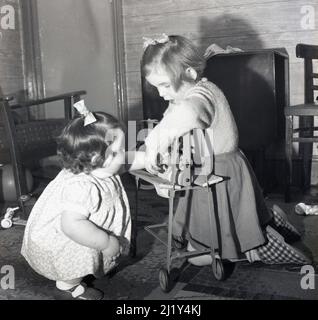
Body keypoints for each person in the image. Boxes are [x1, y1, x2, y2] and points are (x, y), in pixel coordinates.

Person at [141, 34, 311, 266]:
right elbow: (172, 120)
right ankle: (267, 224)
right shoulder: (192, 92)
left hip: (218, 171)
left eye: (164, 85)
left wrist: (153, 146)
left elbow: (186, 116)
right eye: (156, 87)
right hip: (215, 165)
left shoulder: (201, 96)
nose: (161, 93)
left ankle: (254, 247)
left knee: (198, 255)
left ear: (190, 73)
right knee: (220, 220)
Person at [21, 101, 143, 300]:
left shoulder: (98, 166)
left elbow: (128, 159)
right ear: (97, 159)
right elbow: (71, 226)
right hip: (67, 239)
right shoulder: (82, 186)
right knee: (77, 256)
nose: (124, 152)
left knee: (92, 242)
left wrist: (151, 159)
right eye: (119, 149)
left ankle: (96, 262)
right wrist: (105, 243)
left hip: (83, 227)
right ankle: (68, 286)